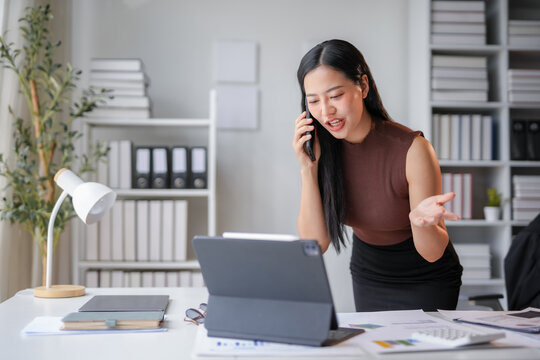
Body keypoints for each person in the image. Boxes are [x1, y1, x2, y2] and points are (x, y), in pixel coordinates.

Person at [292, 39, 463, 311]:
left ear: (363, 85)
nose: (326, 112)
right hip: (369, 273)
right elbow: (315, 244)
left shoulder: (413, 149)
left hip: (427, 276)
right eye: (313, 101)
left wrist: (420, 222)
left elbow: (431, 253)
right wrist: (307, 168)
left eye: (335, 96)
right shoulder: (323, 150)